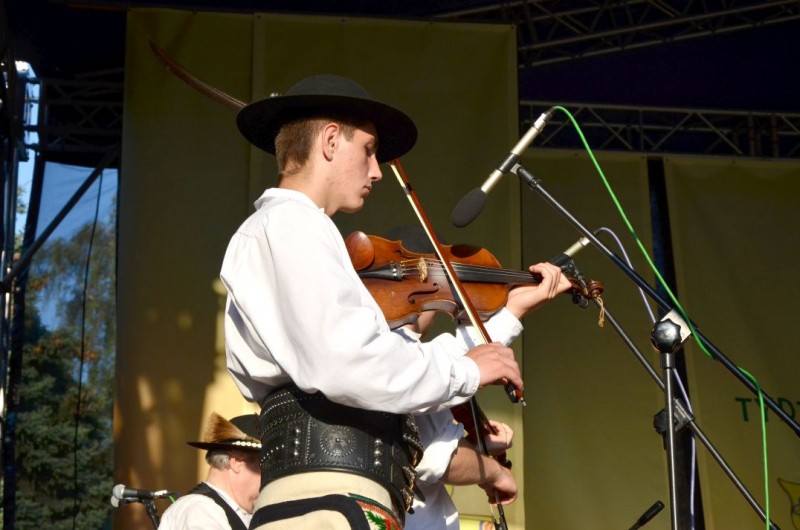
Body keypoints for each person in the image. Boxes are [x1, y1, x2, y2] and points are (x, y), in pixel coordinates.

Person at [220, 74, 572, 529]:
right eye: (368, 150)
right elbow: (348, 361)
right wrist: (466, 370)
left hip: (339, 498)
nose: (377, 171)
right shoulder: (290, 224)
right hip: (325, 500)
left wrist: (507, 316)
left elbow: (380, 356)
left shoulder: (296, 228)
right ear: (330, 141)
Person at [158, 412, 262, 530]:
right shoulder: (200, 511)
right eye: (264, 465)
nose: (269, 478)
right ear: (236, 462)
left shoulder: (234, 512)